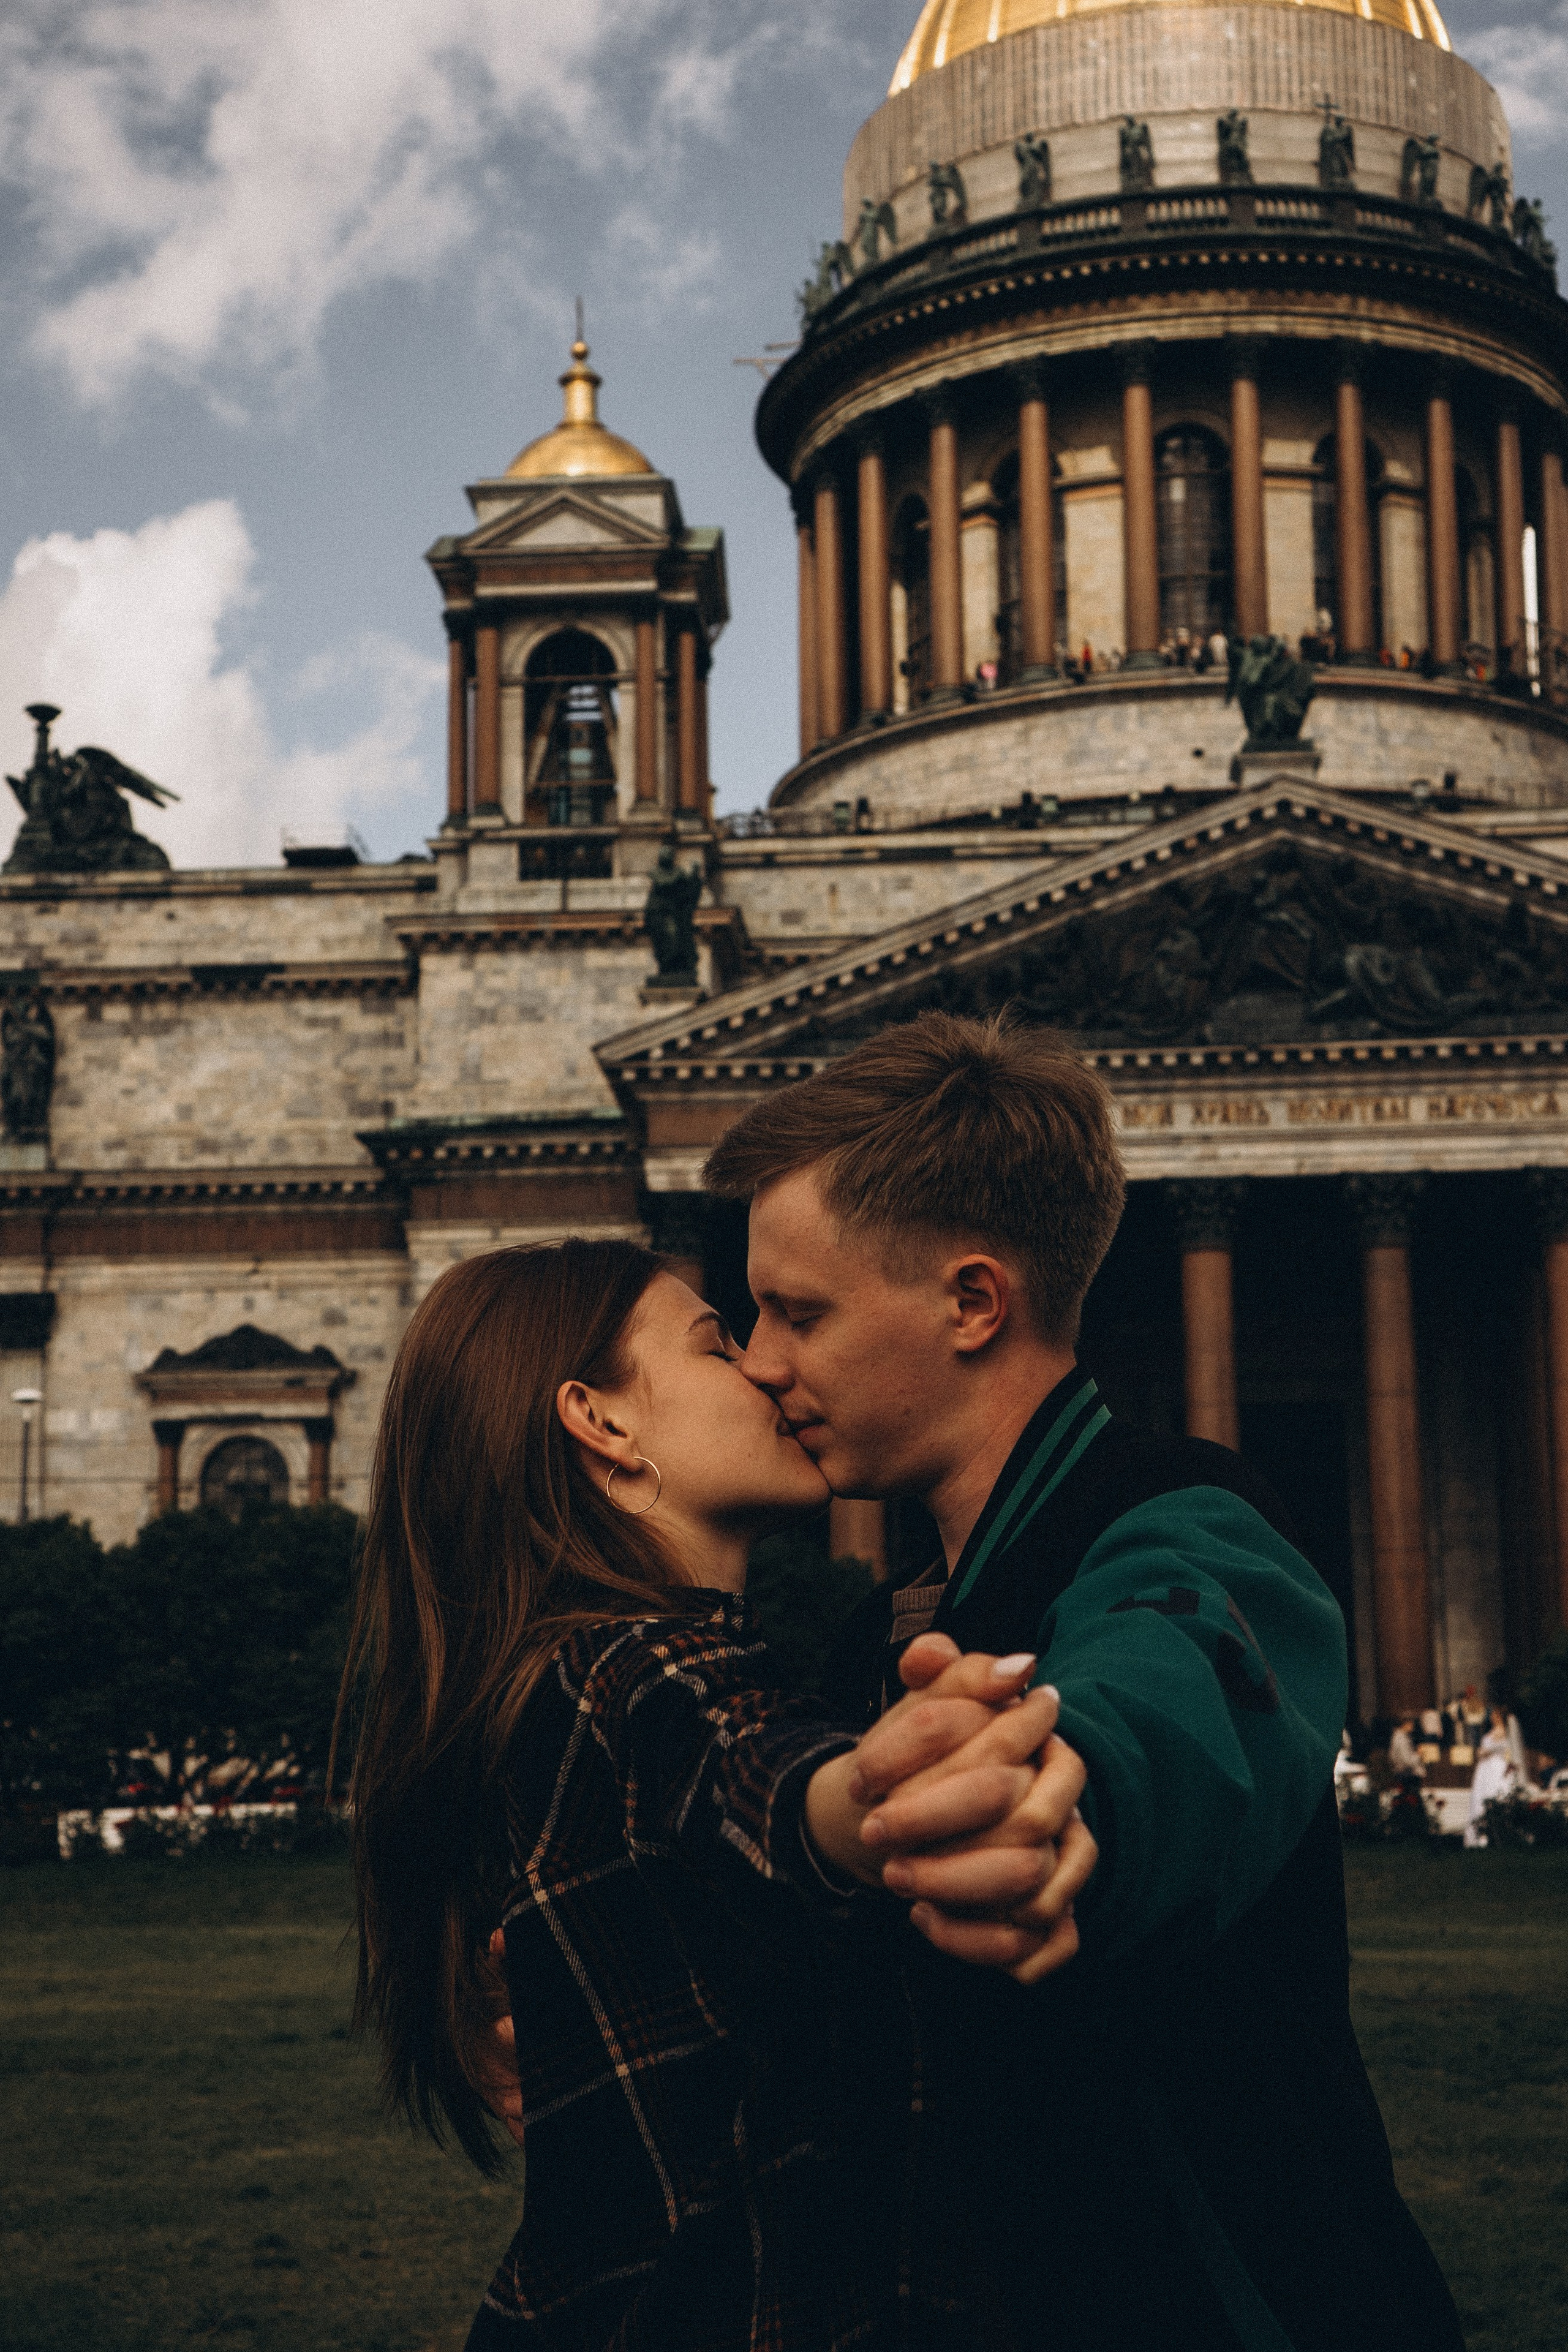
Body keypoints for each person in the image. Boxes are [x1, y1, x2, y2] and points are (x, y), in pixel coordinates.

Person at [694, 1010, 1463, 2351]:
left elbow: (1172, 1689)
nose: (759, 1360)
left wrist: (1065, 1793)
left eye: (795, 1312)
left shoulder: (1194, 1522)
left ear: (973, 1302)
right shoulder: (871, 1635)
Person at [342, 1238, 1090, 2351]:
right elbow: (751, 1777)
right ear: (602, 1423)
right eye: (719, 1343)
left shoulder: (569, 1677)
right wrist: (875, 1801)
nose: (769, 1369)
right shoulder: (631, 1671)